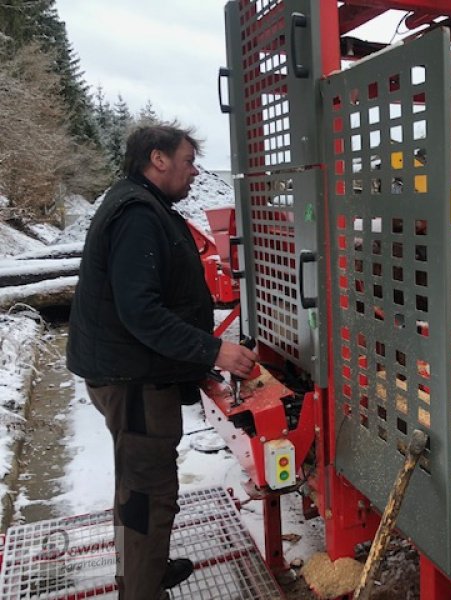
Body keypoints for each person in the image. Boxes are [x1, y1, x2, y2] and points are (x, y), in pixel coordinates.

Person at [67, 124, 258, 599]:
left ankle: (141, 572)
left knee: (137, 484)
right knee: (150, 494)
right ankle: (142, 589)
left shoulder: (141, 204)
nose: (194, 171)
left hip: (128, 371)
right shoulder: (138, 214)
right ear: (158, 159)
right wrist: (215, 350)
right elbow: (141, 311)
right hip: (133, 380)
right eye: (188, 161)